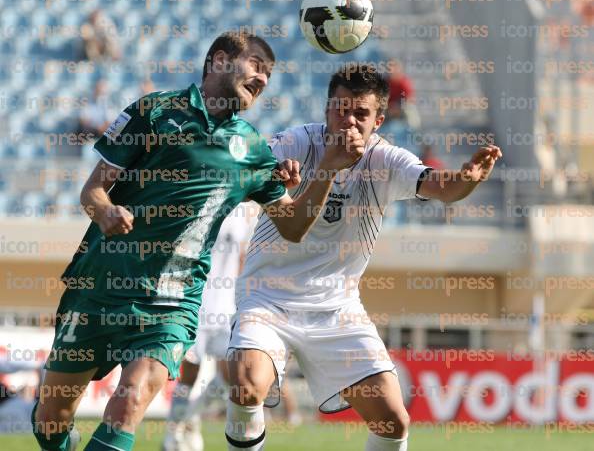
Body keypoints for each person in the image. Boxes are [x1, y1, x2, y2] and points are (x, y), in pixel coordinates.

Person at [31, 31, 365, 451]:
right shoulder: (153, 112)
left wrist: (328, 169)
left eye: (270, 74)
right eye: (257, 65)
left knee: (129, 403)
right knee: (50, 420)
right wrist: (106, 211)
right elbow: (92, 190)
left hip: (172, 302)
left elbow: (294, 226)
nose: (263, 79)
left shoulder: (254, 151)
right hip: (100, 286)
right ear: (220, 61)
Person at [225, 63, 502, 451]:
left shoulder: (386, 160)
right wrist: (312, 170)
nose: (349, 121)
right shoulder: (294, 144)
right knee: (245, 385)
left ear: (379, 121)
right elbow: (281, 205)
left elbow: (440, 187)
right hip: (268, 297)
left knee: (393, 419)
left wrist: (466, 180)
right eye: (341, 109)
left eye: (361, 113)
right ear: (326, 111)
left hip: (337, 307)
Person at [162, 204, 257, 451]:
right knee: (188, 377)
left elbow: (243, 259)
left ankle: (191, 417)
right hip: (196, 306)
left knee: (234, 380)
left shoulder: (246, 212)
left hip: (226, 310)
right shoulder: (201, 202)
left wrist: (244, 300)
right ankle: (172, 438)